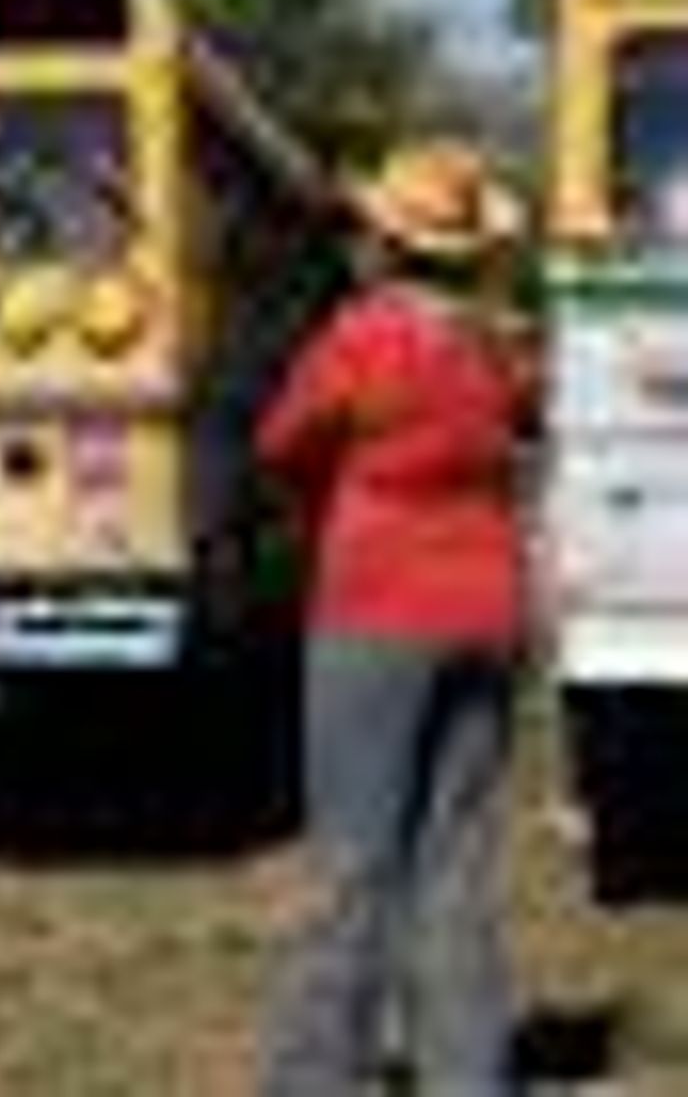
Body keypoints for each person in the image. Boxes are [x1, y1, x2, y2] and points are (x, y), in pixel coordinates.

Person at [253, 138, 536, 1097]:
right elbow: (525, 434)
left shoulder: (362, 335)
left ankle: (315, 1078)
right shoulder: (502, 343)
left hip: (376, 611)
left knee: (352, 858)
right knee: (456, 859)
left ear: (384, 243)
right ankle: (469, 1075)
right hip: (491, 612)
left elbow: (284, 443)